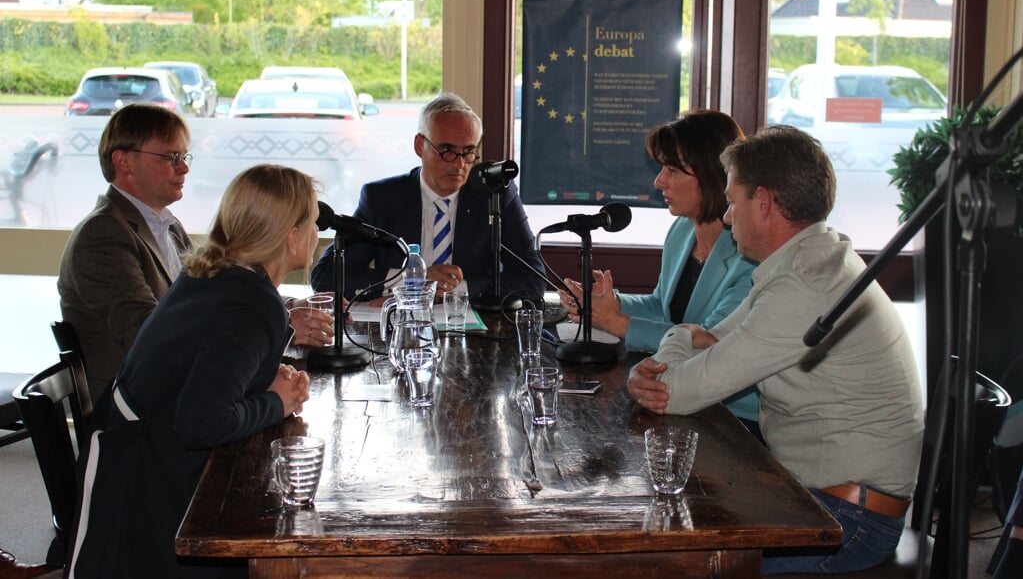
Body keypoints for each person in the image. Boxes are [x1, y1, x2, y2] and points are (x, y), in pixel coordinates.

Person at [627, 125, 924, 574]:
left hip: (846, 521)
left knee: (674, 561)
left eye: (731, 201)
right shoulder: (807, 260)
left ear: (762, 202)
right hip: (815, 496)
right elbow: (705, 335)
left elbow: (677, 391)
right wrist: (682, 343)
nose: (727, 217)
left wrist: (664, 362)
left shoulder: (805, 284)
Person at [67, 164, 316, 578]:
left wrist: (262, 381)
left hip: (138, 448)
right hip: (152, 493)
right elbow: (200, 423)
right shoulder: (252, 304)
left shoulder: (213, 271)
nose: (316, 235)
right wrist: (276, 401)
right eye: (312, 224)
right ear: (291, 236)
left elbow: (208, 367)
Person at [58, 104, 332, 404]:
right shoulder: (103, 235)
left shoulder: (166, 225)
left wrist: (289, 306)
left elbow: (216, 297)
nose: (184, 167)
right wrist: (284, 327)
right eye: (171, 157)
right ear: (124, 161)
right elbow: (148, 336)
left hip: (179, 388)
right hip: (139, 409)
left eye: (184, 157)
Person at [558, 111, 759, 435]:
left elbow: (706, 341)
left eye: (672, 170)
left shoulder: (750, 251)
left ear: (714, 176)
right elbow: (662, 307)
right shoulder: (681, 230)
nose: (658, 182)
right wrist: (611, 305)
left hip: (733, 417)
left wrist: (617, 323)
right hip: (677, 398)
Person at [311, 91, 546, 303]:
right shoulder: (382, 199)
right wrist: (411, 280)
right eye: (447, 151)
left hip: (470, 330)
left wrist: (458, 289)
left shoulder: (495, 195)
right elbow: (325, 277)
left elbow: (533, 280)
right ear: (419, 145)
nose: (459, 163)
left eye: (468, 151)